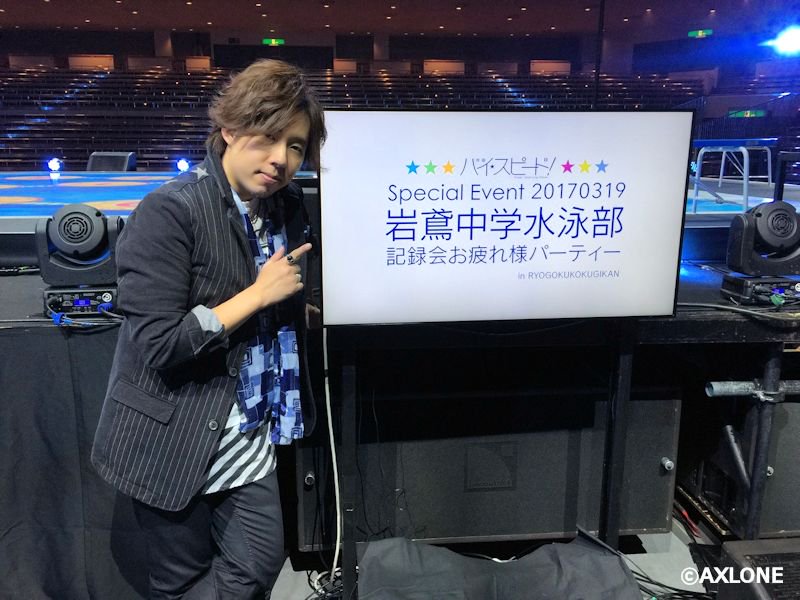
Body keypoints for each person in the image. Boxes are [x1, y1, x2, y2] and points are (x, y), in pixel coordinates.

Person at [91, 59, 327, 599]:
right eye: (268, 137)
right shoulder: (169, 211)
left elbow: (283, 292)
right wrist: (258, 295)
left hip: (248, 427)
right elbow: (160, 343)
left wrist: (297, 312)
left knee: (258, 563)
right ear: (229, 129)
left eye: (295, 146)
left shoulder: (286, 208)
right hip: (170, 433)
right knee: (180, 577)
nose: (281, 158)